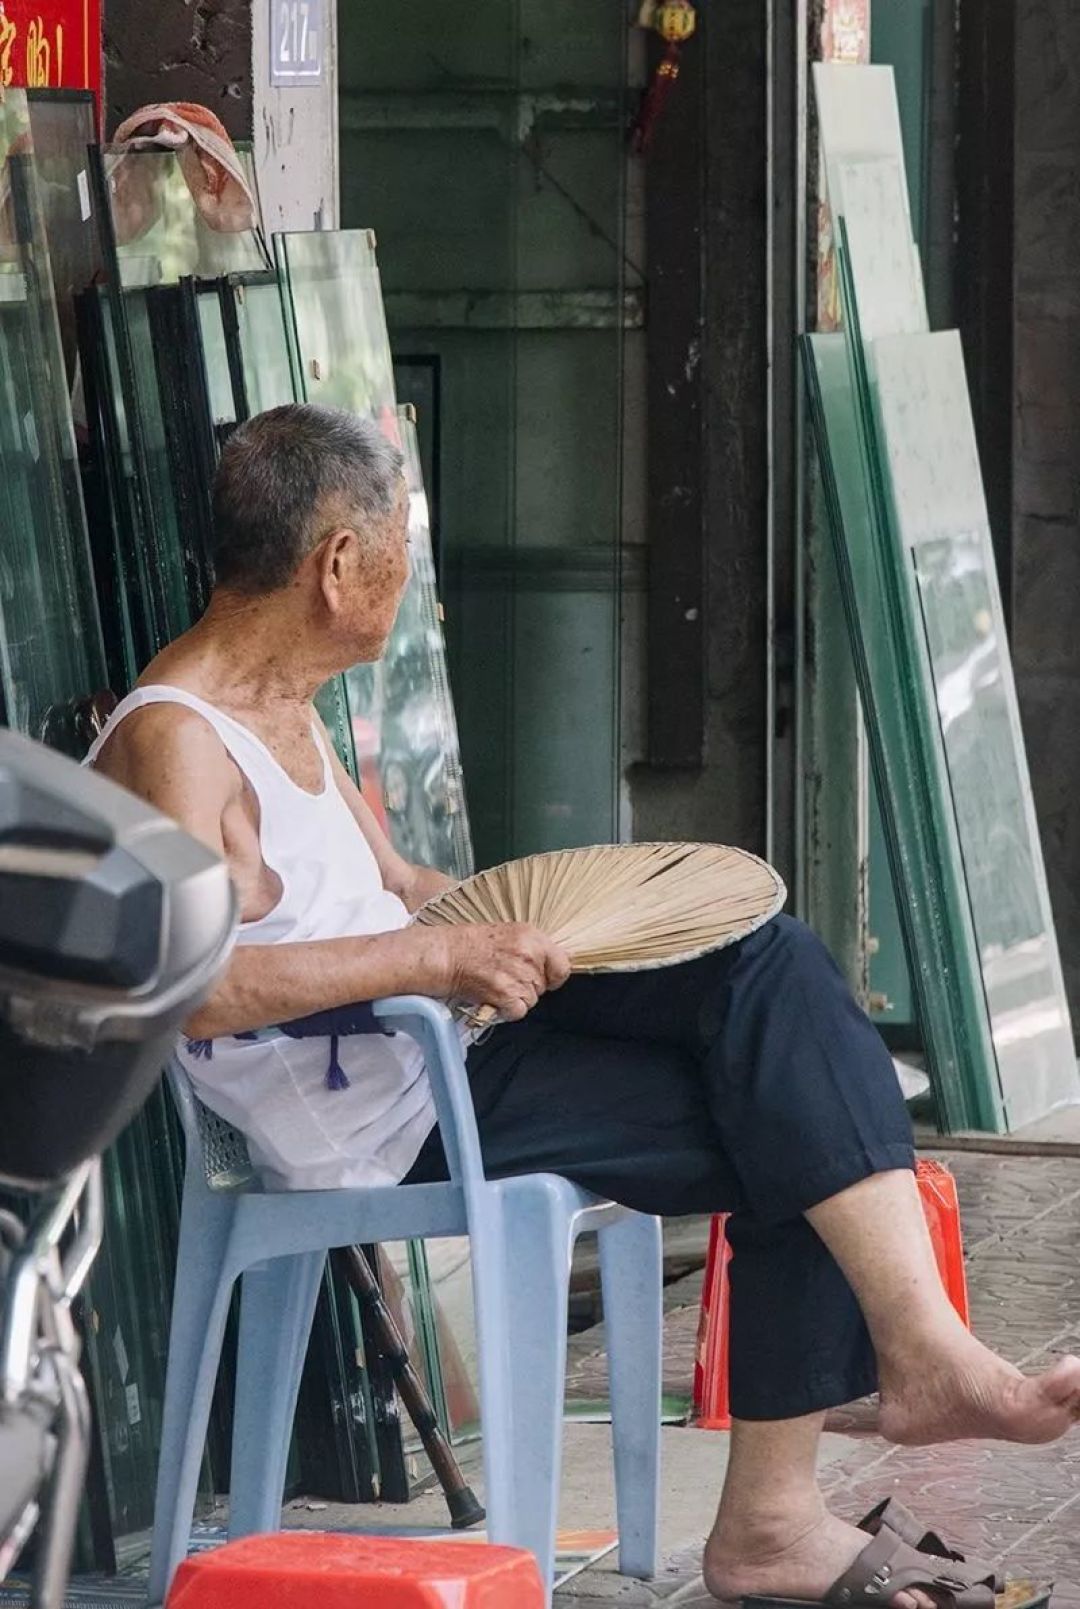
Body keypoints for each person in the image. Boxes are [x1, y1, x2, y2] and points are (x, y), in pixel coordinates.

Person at [88, 404, 1079, 1609]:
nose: (409, 573)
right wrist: (436, 959)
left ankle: (888, 1381)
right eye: (399, 543)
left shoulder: (285, 706)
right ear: (338, 562)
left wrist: (548, 918)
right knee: (792, 1118)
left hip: (442, 1048)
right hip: (382, 1113)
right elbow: (196, 991)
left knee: (770, 970)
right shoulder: (179, 738)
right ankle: (802, 1487)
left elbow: (402, 888)